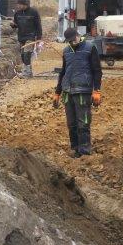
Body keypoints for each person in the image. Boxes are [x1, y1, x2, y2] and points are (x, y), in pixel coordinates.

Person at [53, 26, 102, 156]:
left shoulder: (90, 48)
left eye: (73, 39)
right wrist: (57, 92)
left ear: (78, 35)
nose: (71, 42)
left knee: (83, 122)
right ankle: (75, 149)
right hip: (68, 91)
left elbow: (97, 71)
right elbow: (63, 72)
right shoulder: (66, 51)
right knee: (71, 124)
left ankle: (85, 151)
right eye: (69, 41)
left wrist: (96, 90)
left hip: (83, 91)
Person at [11, 0, 43, 77]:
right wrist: (13, 25)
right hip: (21, 37)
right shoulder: (17, 14)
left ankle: (27, 73)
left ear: (24, 4)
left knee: (27, 54)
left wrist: (39, 39)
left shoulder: (34, 12)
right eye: (17, 5)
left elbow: (38, 26)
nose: (18, 6)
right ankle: (28, 71)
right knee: (22, 56)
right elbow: (16, 25)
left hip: (30, 37)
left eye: (19, 5)